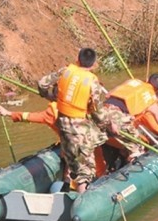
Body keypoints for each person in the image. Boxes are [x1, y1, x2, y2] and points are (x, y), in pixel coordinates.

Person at [37, 48, 113, 194]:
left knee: (72, 159)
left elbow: (42, 84)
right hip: (79, 126)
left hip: (63, 122)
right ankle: (83, 197)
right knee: (85, 166)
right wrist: (106, 124)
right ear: (93, 64)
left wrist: (50, 96)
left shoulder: (65, 71)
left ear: (78, 59)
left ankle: (69, 185)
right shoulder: (93, 82)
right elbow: (96, 110)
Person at [0, 101, 107, 182]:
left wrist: (8, 113)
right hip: (87, 143)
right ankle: (100, 177)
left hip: (71, 148)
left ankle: (72, 182)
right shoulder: (77, 104)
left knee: (74, 164)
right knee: (94, 159)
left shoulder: (51, 113)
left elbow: (29, 116)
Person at [106, 73, 158, 152]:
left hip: (103, 112)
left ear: (147, 80)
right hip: (118, 119)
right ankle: (133, 156)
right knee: (139, 148)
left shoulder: (132, 81)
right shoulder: (152, 104)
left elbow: (108, 95)